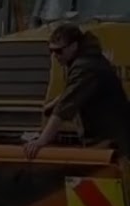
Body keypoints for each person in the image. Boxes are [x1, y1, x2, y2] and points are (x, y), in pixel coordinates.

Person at [24, 23, 130, 159]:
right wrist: (52, 105)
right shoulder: (89, 60)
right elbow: (72, 91)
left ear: (74, 46)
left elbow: (66, 105)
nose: (55, 56)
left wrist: (42, 140)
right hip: (109, 139)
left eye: (59, 51)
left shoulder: (86, 67)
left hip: (111, 142)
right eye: (51, 51)